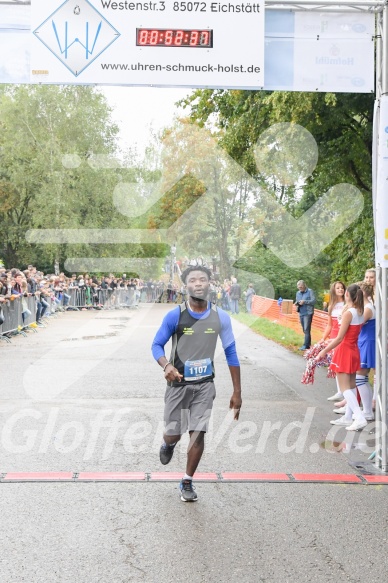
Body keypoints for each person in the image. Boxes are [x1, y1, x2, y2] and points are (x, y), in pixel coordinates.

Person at [151, 264, 242, 503]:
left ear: (209, 284)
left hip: (204, 385)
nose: (198, 283)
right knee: (173, 434)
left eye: (203, 279)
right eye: (193, 280)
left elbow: (231, 352)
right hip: (178, 385)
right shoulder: (175, 315)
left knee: (198, 434)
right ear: (186, 286)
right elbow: (156, 345)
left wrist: (237, 392)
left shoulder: (220, 316)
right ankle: (168, 444)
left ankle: (187, 480)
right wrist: (166, 365)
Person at [316, 283, 367, 431]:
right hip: (353, 349)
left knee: (344, 388)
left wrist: (323, 351)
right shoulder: (360, 311)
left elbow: (339, 338)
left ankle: (359, 417)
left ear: (347, 295)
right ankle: (349, 417)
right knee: (351, 386)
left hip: (344, 351)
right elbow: (348, 336)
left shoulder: (348, 313)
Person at [321, 281, 346, 402]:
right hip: (333, 336)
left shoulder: (348, 304)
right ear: (333, 290)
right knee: (335, 364)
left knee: (342, 365)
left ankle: (345, 392)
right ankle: (340, 391)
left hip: (343, 336)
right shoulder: (331, 306)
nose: (340, 289)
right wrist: (323, 338)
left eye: (342, 288)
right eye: (338, 288)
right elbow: (329, 325)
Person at [295, 280, 316, 350]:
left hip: (308, 312)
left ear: (304, 285)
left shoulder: (310, 291)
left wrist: (305, 302)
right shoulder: (298, 293)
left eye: (301, 287)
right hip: (301, 312)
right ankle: (308, 345)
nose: (300, 288)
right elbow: (298, 300)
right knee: (304, 329)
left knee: (307, 329)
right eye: (299, 287)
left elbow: (313, 301)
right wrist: (296, 303)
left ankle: (305, 345)